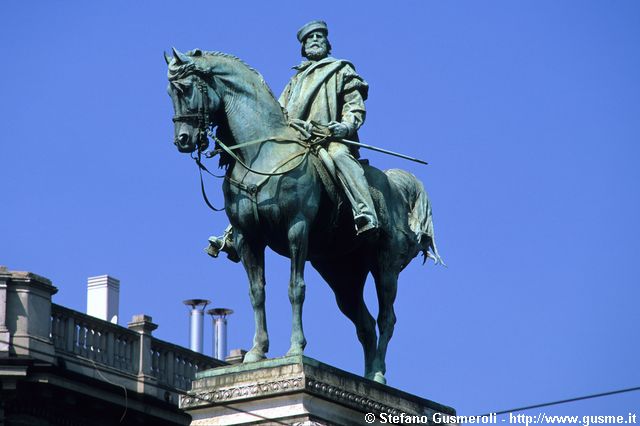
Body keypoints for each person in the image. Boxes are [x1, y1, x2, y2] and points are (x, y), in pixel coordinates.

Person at [208, 20, 378, 261]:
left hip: (327, 137)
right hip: (297, 140)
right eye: (309, 38)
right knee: (257, 170)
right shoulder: (294, 81)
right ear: (303, 47)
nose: (315, 40)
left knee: (340, 157)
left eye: (319, 36)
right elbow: (279, 114)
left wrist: (344, 126)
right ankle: (233, 233)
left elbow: (354, 107)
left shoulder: (341, 70)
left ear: (328, 43)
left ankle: (365, 213)